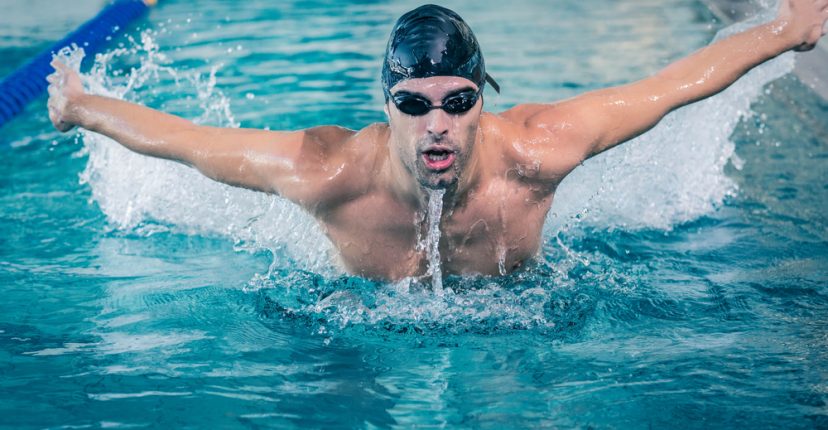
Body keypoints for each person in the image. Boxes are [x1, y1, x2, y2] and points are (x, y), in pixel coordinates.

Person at [47, 2, 827, 280]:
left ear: (482, 98)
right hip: (350, 305)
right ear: (383, 104)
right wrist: (82, 108)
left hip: (516, 307)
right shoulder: (326, 173)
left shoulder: (539, 149)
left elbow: (675, 84)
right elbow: (185, 140)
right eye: (413, 105)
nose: (437, 125)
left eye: (457, 101)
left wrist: (788, 29)